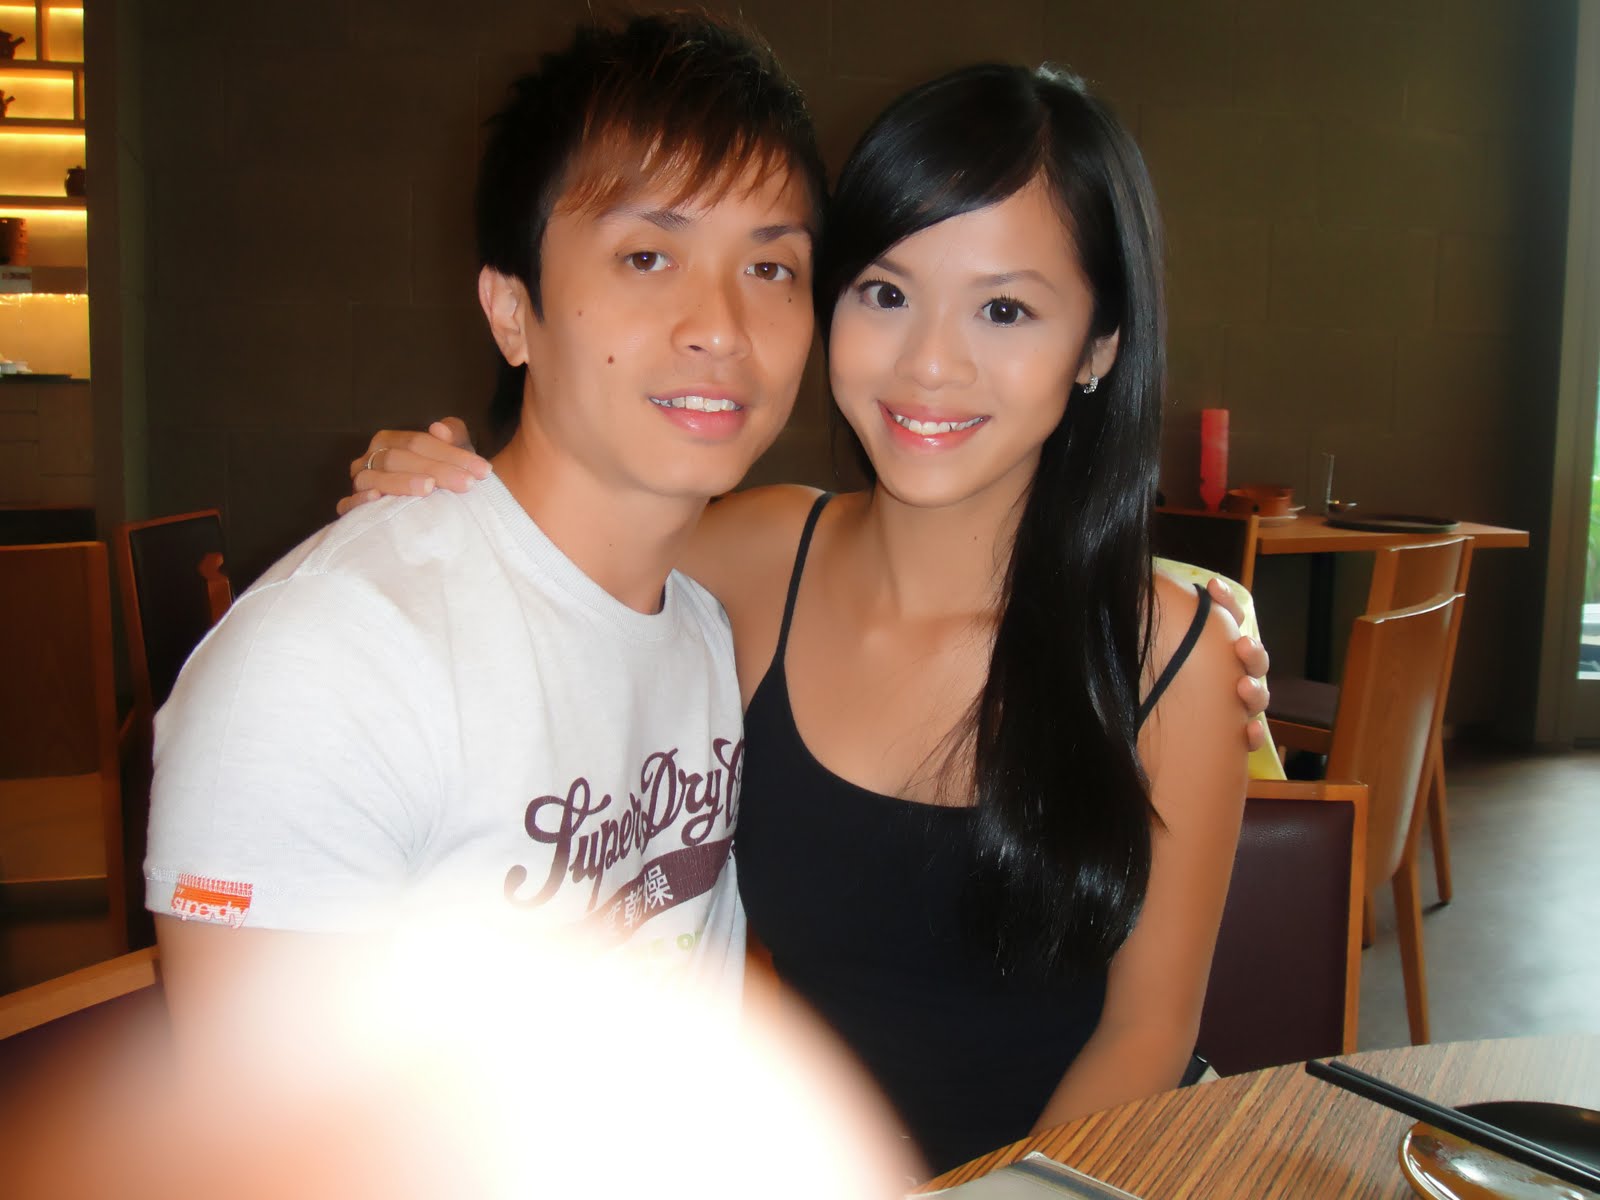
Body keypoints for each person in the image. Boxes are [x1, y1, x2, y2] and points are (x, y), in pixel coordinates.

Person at [347, 60, 1261, 1175]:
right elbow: (548, 550)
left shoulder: (1176, 663)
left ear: (1099, 347)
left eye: (1005, 309)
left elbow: (1146, 1034)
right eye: (885, 292)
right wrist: (438, 489)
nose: (929, 363)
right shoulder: (752, 558)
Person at [143, 12, 829, 1059]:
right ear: (513, 313)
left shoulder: (697, 630)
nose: (721, 327)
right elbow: (264, 1129)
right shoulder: (329, 662)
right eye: (647, 255)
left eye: (771, 268)